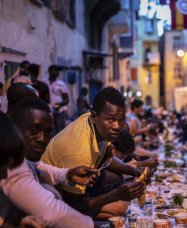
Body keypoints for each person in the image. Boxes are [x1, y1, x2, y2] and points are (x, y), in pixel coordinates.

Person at [41, 87, 146, 219]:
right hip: (58, 195)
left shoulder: (95, 124)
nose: (117, 126)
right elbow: (75, 205)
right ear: (95, 117)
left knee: (116, 179)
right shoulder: (79, 151)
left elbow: (107, 159)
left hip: (75, 185)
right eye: (111, 119)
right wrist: (116, 195)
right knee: (120, 208)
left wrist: (135, 170)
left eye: (120, 120)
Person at [4, 98, 96, 227]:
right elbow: (52, 212)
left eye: (47, 132)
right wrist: (91, 225)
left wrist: (68, 174)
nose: (42, 139)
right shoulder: (10, 160)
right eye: (34, 130)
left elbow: (38, 166)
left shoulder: (24, 158)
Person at [46, 65, 69, 134]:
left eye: (58, 71)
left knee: (60, 133)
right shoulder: (44, 82)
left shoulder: (61, 84)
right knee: (49, 132)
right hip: (47, 112)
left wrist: (60, 104)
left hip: (59, 112)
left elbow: (67, 99)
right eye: (56, 70)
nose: (57, 72)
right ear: (50, 71)